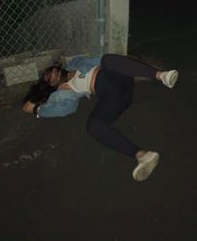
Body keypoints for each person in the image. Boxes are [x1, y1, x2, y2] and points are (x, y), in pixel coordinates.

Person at [22, 53, 179, 182]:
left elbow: (103, 60)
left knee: (107, 60)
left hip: (119, 78)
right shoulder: (62, 93)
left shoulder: (75, 62)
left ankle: (161, 76)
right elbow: (66, 109)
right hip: (116, 98)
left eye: (49, 71)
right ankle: (142, 155)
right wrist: (37, 109)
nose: (49, 73)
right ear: (50, 86)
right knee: (93, 127)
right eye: (46, 78)